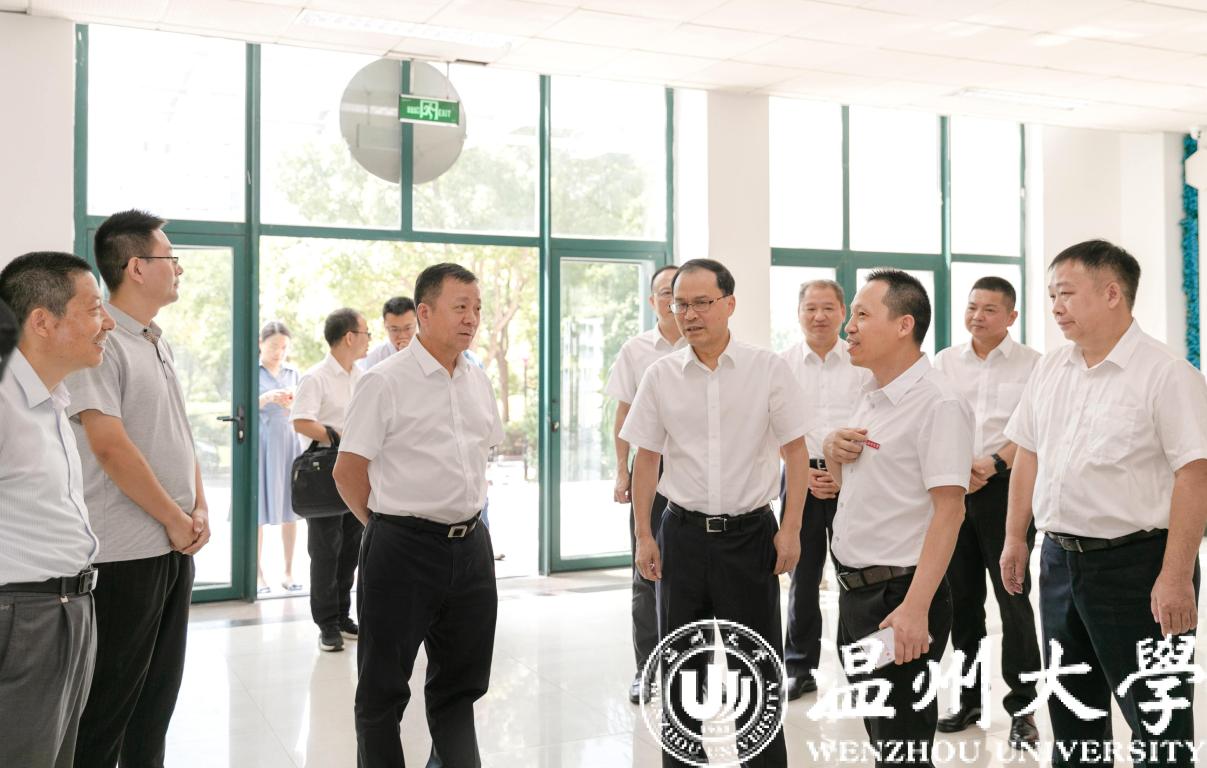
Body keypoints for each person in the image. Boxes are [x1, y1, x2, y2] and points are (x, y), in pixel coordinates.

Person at [1001, 240, 1207, 768]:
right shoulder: (1051, 368)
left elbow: (1195, 475)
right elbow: (1027, 454)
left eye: (1066, 294)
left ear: (1112, 293)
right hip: (1059, 562)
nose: (1055, 306)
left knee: (1157, 720)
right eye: (1051, 295)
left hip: (1137, 567)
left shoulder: (1166, 373)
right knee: (1073, 715)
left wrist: (1176, 575)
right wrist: (1016, 537)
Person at [622, 258, 808, 768]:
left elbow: (795, 452)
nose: (689, 314)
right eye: (680, 304)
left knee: (756, 674)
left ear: (729, 304)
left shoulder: (767, 368)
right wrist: (643, 534)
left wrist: (791, 528)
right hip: (682, 535)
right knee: (683, 674)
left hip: (751, 537)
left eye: (702, 303)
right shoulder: (660, 375)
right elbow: (646, 459)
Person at [334, 262, 504, 768]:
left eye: (477, 308)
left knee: (461, 684)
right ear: (424, 313)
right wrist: (387, 530)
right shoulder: (384, 381)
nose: (471, 318)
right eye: (460, 307)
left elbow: (480, 455)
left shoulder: (477, 378)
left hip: (471, 546)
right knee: (383, 688)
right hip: (402, 548)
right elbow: (348, 471)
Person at [68, 210, 211, 768]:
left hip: (171, 547)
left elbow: (176, 433)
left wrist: (198, 506)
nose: (179, 268)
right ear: (136, 267)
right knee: (110, 708)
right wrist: (175, 519)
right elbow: (109, 445)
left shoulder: (154, 339)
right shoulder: (101, 341)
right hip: (125, 555)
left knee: (157, 702)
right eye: (170, 258)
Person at [823, 270, 973, 768]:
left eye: (862, 315)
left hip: (899, 600)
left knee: (903, 746)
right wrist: (833, 452)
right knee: (883, 737)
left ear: (904, 324)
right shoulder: (870, 393)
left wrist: (914, 609)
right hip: (858, 595)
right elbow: (858, 489)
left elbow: (950, 511)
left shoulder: (938, 403)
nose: (848, 327)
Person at [0, 252, 113, 768]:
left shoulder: (51, 399)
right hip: (22, 616)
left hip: (69, 608)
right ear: (42, 321)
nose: (107, 323)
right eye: (94, 309)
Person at [933, 277, 1042, 748]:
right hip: (956, 489)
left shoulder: (1034, 365)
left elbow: (1034, 431)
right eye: (972, 307)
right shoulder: (944, 362)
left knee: (1013, 599)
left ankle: (1023, 709)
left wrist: (995, 462)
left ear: (1011, 316)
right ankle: (968, 699)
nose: (977, 316)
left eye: (990, 309)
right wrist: (959, 468)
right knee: (961, 603)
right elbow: (935, 419)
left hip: (1007, 489)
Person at [776, 278, 871, 700]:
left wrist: (840, 471)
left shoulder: (862, 361)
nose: (819, 316)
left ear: (842, 312)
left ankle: (861, 669)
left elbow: (874, 419)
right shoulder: (781, 365)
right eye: (810, 308)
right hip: (800, 477)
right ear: (799, 313)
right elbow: (770, 426)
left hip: (855, 477)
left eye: (828, 308)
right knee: (803, 576)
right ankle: (799, 668)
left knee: (858, 575)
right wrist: (802, 470)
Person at [604, 263, 684, 704]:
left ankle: (685, 668)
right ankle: (647, 668)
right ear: (652, 301)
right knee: (646, 569)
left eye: (678, 290)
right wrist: (623, 469)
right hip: (650, 469)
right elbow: (623, 414)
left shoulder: (702, 343)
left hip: (693, 471)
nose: (672, 299)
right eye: (664, 292)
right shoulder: (636, 350)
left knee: (688, 574)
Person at [292, 307, 368, 652]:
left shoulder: (363, 376)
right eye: (366, 333)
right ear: (349, 337)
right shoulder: (316, 377)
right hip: (324, 475)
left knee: (351, 549)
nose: (369, 340)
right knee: (325, 552)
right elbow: (301, 421)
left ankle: (342, 614)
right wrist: (337, 434)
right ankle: (326, 624)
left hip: (355, 471)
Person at [257, 320, 302, 594]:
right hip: (262, 447)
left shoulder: (293, 373)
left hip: (289, 446)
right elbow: (241, 407)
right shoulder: (252, 372)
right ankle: (257, 575)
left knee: (291, 510)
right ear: (260, 344)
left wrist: (292, 400)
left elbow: (304, 406)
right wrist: (267, 398)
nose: (279, 352)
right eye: (274, 346)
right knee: (257, 512)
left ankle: (288, 571)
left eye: (284, 347)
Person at [358, 296, 417, 371]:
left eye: (408, 328)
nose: (402, 335)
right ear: (385, 326)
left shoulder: (427, 352)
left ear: (418, 323)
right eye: (394, 329)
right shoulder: (375, 357)